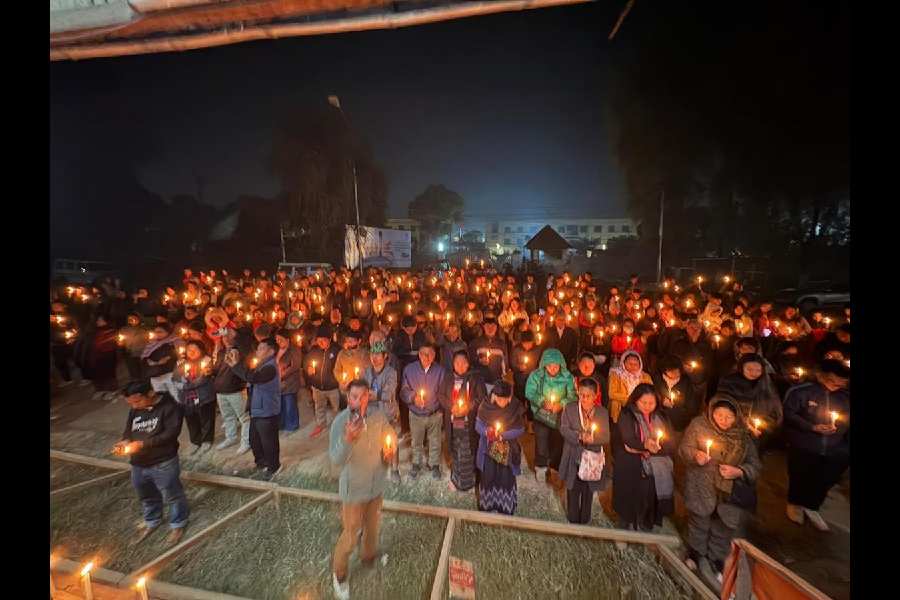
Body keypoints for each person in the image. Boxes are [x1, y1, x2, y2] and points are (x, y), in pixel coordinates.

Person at [679, 396, 761, 584]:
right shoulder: (699, 425)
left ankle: (716, 559)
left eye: (729, 417)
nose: (723, 420)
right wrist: (695, 455)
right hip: (702, 485)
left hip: (730, 492)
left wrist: (739, 471)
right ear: (711, 412)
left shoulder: (743, 435)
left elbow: (755, 465)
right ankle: (695, 552)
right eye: (719, 415)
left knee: (723, 528)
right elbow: (684, 448)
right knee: (699, 522)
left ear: (736, 417)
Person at [329, 379, 397, 600]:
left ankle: (368, 557)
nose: (358, 400)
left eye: (363, 396)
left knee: (372, 528)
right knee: (350, 535)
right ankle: (339, 574)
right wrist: (348, 439)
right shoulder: (341, 422)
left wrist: (390, 451)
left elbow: (391, 437)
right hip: (354, 492)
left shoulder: (377, 417)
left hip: (375, 486)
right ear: (349, 398)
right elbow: (336, 458)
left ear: (369, 396)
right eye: (354, 396)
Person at [114, 380, 188, 545]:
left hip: (163, 461)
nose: (134, 406)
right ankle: (152, 521)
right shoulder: (135, 410)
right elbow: (129, 430)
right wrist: (125, 442)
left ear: (151, 393)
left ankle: (178, 523)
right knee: (146, 494)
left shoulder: (170, 407)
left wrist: (142, 444)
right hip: (138, 463)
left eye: (137, 401)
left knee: (172, 494)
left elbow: (170, 434)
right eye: (130, 403)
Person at [782, 359, 850, 531]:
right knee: (800, 475)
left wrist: (838, 427)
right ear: (821, 376)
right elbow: (788, 413)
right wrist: (811, 427)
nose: (836, 385)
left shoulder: (845, 396)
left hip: (834, 447)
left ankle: (812, 506)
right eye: (832, 380)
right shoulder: (801, 391)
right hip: (804, 443)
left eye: (841, 382)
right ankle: (794, 504)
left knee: (824, 479)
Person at [613, 383, 675, 532]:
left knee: (649, 499)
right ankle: (624, 528)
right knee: (629, 498)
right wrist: (644, 446)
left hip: (656, 466)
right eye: (643, 402)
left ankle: (647, 526)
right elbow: (627, 438)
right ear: (635, 400)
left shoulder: (661, 416)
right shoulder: (627, 414)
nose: (647, 406)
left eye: (651, 403)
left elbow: (671, 443)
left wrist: (652, 449)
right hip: (631, 465)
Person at [226, 337, 282, 480]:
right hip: (257, 409)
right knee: (254, 440)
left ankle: (274, 467)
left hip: (267, 410)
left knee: (268, 441)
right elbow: (251, 376)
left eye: (262, 348)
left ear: (271, 351)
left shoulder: (270, 367)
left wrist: (236, 366)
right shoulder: (261, 365)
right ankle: (261, 464)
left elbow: (254, 378)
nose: (258, 350)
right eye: (258, 348)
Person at [559, 378, 610, 524]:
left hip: (592, 458)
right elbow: (563, 428)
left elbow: (606, 436)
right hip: (573, 454)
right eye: (581, 395)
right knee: (573, 487)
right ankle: (573, 520)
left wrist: (593, 439)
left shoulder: (602, 412)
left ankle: (585, 520)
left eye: (588, 396)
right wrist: (579, 436)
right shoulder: (569, 408)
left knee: (588, 490)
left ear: (596, 395)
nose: (584, 399)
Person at [438, 350, 488, 492]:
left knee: (467, 451)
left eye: (463, 363)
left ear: (468, 364)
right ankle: (456, 479)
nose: (460, 366)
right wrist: (451, 406)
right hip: (453, 422)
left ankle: (468, 481)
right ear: (453, 364)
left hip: (468, 422)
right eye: (457, 363)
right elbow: (441, 395)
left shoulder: (475, 378)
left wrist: (468, 407)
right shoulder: (448, 378)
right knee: (455, 449)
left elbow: (482, 397)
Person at [525, 348, 576, 482]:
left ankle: (555, 467)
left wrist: (561, 404)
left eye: (556, 366)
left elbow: (572, 396)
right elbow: (529, 392)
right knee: (541, 440)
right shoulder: (536, 376)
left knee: (557, 441)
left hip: (560, 417)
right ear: (544, 365)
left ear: (561, 365)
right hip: (541, 415)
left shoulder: (568, 377)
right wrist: (542, 402)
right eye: (549, 366)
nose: (553, 369)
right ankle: (541, 467)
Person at [475, 380, 526, 515]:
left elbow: (520, 429)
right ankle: (488, 505)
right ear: (494, 396)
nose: (502, 402)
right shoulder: (485, 406)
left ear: (509, 398)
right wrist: (487, 432)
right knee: (489, 476)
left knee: (505, 478)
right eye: (499, 399)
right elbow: (478, 425)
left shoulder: (514, 407)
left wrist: (502, 436)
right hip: (488, 452)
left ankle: (505, 506)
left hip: (507, 453)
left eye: (505, 400)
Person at [716, 354, 783, 448]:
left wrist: (766, 425)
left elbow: (775, 407)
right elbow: (723, 403)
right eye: (749, 369)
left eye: (758, 370)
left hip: (759, 430)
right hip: (734, 427)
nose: (754, 373)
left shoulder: (766, 383)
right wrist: (745, 424)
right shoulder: (729, 382)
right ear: (741, 367)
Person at [400, 344, 446, 479]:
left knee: (435, 440)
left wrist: (441, 410)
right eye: (423, 353)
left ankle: (434, 464)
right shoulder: (409, 369)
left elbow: (443, 392)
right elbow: (403, 390)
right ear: (418, 354)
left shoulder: (440, 371)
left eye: (429, 354)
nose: (426, 357)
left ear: (434, 356)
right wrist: (413, 397)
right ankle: (416, 463)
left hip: (434, 413)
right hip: (415, 414)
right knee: (416, 440)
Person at [364, 340, 401, 482]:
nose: (375, 358)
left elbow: (389, 393)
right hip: (371, 413)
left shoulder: (391, 372)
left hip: (387, 413)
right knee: (373, 442)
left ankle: (395, 469)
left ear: (385, 356)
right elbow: (362, 390)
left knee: (391, 441)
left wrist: (376, 395)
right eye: (372, 354)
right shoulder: (366, 372)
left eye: (378, 355)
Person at [172, 340, 216, 454]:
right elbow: (175, 378)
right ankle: (195, 441)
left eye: (194, 350)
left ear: (201, 350)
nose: (191, 352)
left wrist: (186, 385)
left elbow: (203, 378)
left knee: (206, 419)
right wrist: (183, 384)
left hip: (204, 396)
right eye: (189, 350)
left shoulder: (206, 361)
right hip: (187, 398)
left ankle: (207, 440)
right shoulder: (181, 362)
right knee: (191, 420)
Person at [213, 328, 251, 454]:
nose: (226, 339)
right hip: (221, 390)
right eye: (224, 337)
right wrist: (210, 370)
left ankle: (246, 442)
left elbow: (241, 368)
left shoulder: (241, 351)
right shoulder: (221, 352)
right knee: (228, 417)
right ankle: (231, 438)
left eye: (228, 336)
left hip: (236, 390)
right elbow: (216, 369)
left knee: (244, 418)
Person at [305, 326, 341, 438]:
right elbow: (307, 362)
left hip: (333, 387)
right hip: (317, 386)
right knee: (319, 406)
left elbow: (341, 366)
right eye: (318, 340)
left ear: (329, 339)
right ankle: (321, 424)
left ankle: (337, 426)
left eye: (323, 340)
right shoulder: (314, 351)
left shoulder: (336, 351)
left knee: (336, 408)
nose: (320, 342)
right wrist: (308, 369)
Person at [607, 350, 653, 424]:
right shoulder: (616, 374)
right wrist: (630, 399)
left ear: (640, 364)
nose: (633, 366)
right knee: (614, 403)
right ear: (623, 363)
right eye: (630, 364)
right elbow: (612, 393)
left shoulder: (645, 376)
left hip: (641, 403)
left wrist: (640, 400)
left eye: (635, 364)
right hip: (622, 404)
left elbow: (651, 392)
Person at [275, 328, 303, 432]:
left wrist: (283, 374)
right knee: (280, 405)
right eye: (277, 339)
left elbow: (295, 365)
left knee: (289, 404)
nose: (278, 342)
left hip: (290, 382)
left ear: (287, 339)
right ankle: (281, 424)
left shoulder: (294, 349)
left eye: (280, 339)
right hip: (278, 382)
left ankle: (292, 425)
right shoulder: (276, 350)